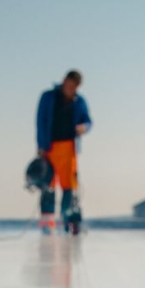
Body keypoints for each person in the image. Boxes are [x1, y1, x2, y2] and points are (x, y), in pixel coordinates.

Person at [36, 70, 92, 231]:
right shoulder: (48, 97)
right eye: (68, 84)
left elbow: (88, 121)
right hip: (49, 147)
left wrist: (84, 127)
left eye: (74, 87)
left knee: (69, 186)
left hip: (69, 148)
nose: (70, 88)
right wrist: (40, 145)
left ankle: (67, 220)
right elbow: (40, 121)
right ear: (64, 81)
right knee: (48, 185)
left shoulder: (79, 101)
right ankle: (47, 223)